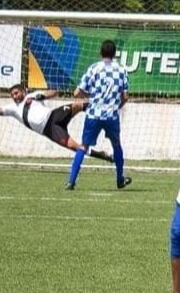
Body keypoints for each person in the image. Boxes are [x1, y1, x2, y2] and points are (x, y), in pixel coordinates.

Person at [66, 39, 130, 190]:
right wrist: (117, 106)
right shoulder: (121, 70)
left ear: (100, 52)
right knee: (116, 145)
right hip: (111, 116)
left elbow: (77, 93)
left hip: (94, 114)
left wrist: (91, 96)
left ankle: (71, 181)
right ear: (114, 54)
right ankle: (120, 179)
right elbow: (125, 96)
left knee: (83, 146)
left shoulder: (93, 68)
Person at [0, 84, 112, 162]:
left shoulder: (32, 96)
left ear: (23, 91)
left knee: (77, 105)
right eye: (12, 95)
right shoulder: (13, 108)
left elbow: (54, 92)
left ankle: (103, 109)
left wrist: (43, 95)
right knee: (75, 147)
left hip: (54, 116)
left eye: (16, 93)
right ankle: (103, 155)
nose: (14, 97)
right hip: (49, 130)